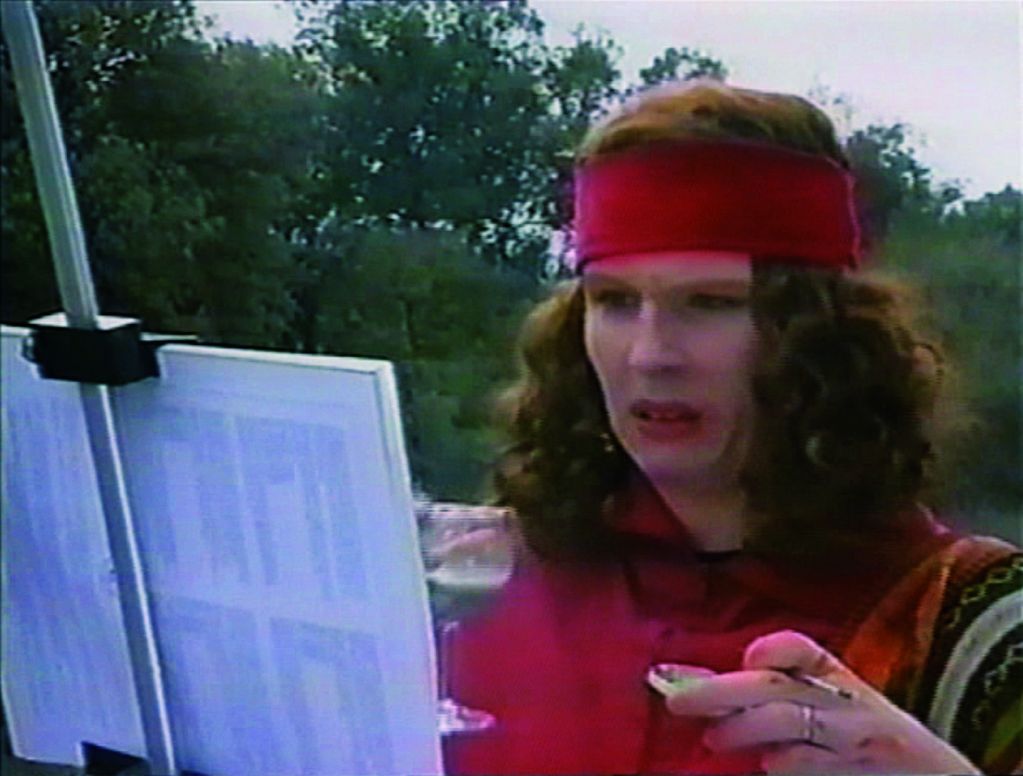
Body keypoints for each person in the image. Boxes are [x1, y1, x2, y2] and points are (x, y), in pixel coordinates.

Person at [442, 80, 1022, 775]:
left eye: (711, 303)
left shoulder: (979, 624)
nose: (652, 354)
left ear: (815, 335)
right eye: (616, 302)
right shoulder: (479, 594)